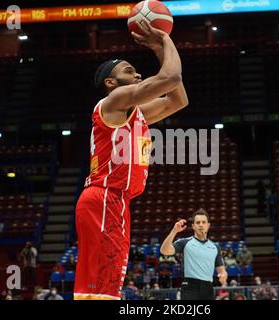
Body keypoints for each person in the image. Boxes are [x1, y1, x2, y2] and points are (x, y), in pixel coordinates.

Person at [73, 19, 188, 301]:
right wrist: (164, 40)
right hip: (103, 197)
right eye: (128, 71)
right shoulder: (113, 101)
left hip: (116, 200)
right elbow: (170, 78)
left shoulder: (134, 113)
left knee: (105, 284)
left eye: (136, 71)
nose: (137, 75)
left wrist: (161, 51)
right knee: (103, 285)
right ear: (111, 82)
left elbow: (178, 99)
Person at [160, 209, 228, 300]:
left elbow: (222, 271)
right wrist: (174, 231)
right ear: (193, 226)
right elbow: (164, 250)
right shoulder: (185, 242)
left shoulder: (215, 247)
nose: (201, 225)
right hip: (190, 287)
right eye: (198, 222)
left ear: (208, 225)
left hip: (208, 288)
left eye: (203, 222)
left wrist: (223, 275)